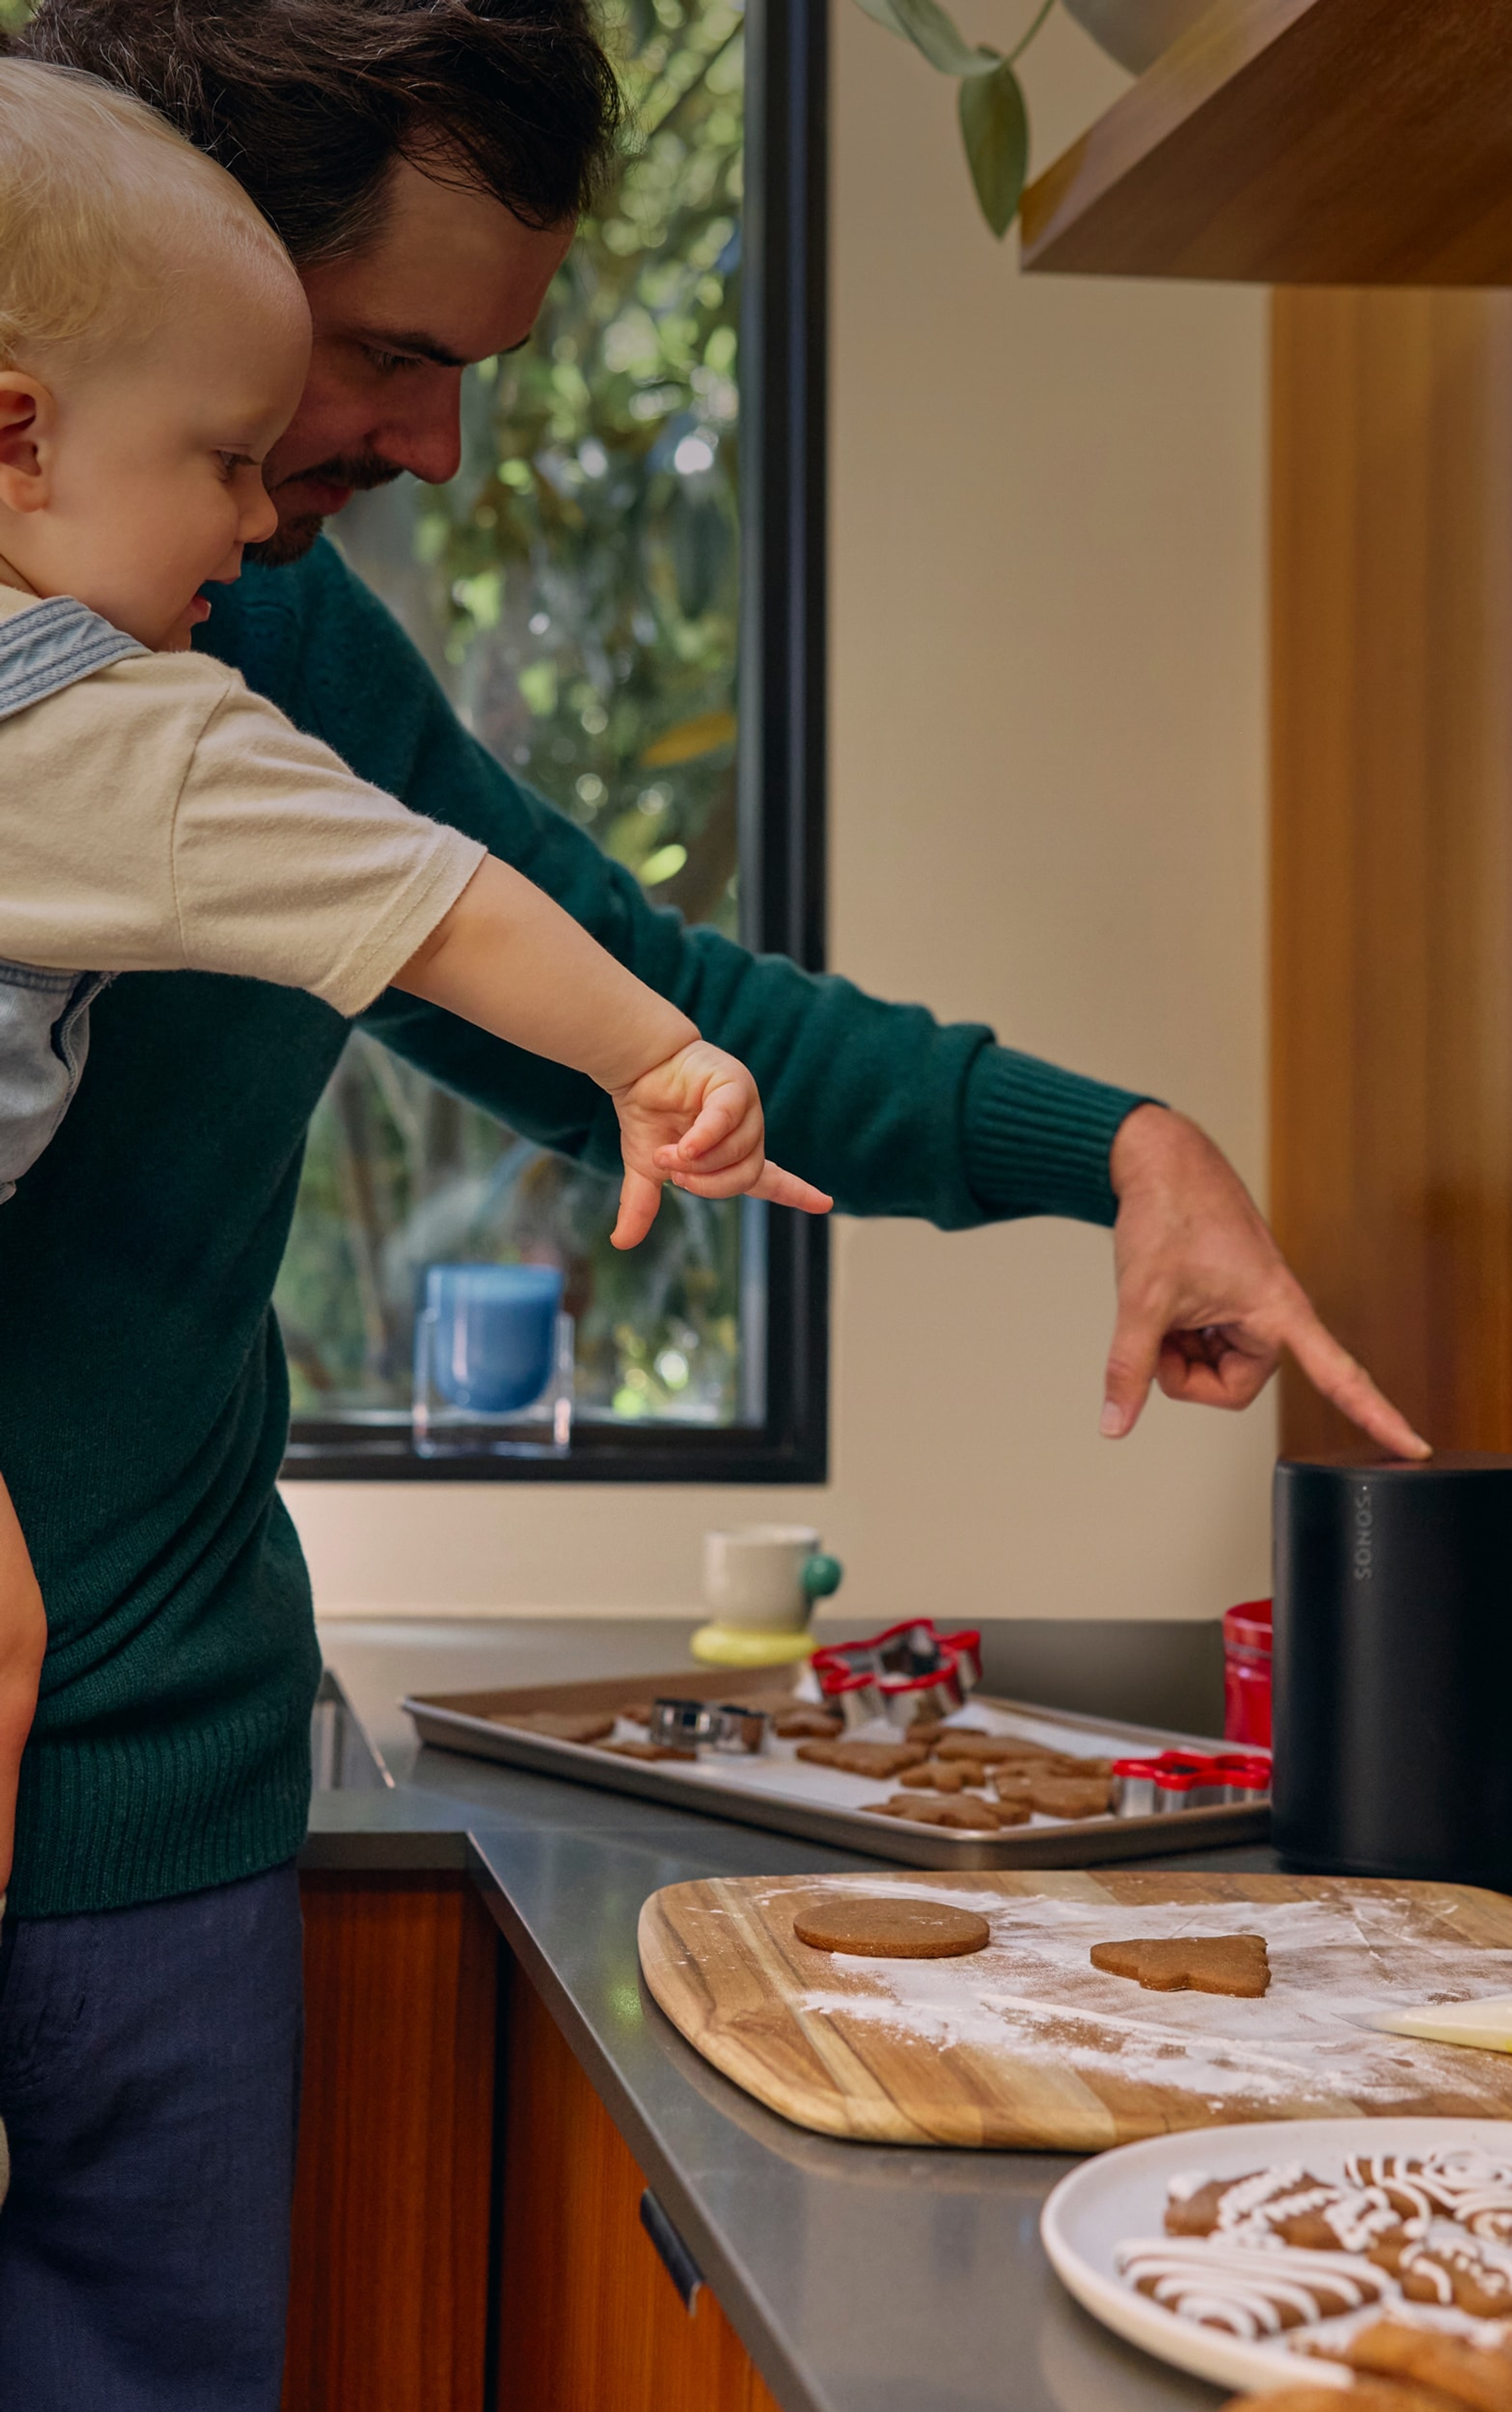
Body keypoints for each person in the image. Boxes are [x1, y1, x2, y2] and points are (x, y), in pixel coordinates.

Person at [0, 2, 1426, 2401]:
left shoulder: (268, 652)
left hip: (167, 1840)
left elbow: (626, 995)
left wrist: (1116, 1150)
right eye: (381, 358)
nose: (433, 448)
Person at [0, 51, 835, 2302]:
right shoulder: (96, 714)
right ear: (18, 433)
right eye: (229, 462)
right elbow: (445, 904)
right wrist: (665, 1062)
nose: (255, 531)